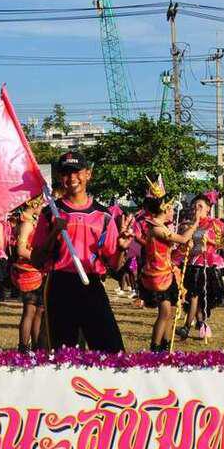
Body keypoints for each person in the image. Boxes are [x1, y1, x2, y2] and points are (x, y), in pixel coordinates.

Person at [31, 151, 134, 352]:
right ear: (60, 177)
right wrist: (54, 233)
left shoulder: (103, 215)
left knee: (112, 351)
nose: (72, 178)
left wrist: (121, 248)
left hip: (92, 284)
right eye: (66, 173)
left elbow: (114, 265)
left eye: (77, 172)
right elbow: (36, 260)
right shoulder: (50, 212)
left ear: (88, 174)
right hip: (59, 284)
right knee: (63, 354)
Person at [138, 175, 199, 352]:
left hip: (166, 272)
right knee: (164, 313)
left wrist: (184, 248)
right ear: (163, 208)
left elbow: (172, 250)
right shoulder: (156, 228)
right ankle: (155, 350)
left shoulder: (161, 226)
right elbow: (182, 238)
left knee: (170, 312)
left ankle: (165, 348)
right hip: (157, 276)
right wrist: (195, 224)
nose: (172, 209)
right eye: (170, 206)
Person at [177, 192, 224, 340]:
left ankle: (186, 327)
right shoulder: (190, 224)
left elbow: (222, 243)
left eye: (200, 206)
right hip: (192, 262)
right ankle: (200, 323)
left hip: (206, 263)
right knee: (193, 295)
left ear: (208, 208)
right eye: (194, 206)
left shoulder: (215, 224)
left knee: (196, 295)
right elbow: (183, 244)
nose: (196, 209)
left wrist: (209, 242)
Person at [13, 196, 46, 352]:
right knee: (30, 310)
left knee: (38, 310)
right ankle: (24, 347)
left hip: (37, 270)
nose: (43, 206)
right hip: (30, 271)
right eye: (42, 203)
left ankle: (37, 347)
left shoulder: (31, 221)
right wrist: (39, 259)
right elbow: (20, 250)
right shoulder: (26, 223)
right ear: (34, 204)